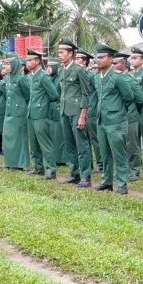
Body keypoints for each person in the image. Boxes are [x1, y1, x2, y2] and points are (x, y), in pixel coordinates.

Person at [94, 43, 134, 194]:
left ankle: (122, 183)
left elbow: (129, 97)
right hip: (101, 120)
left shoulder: (118, 77)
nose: (98, 60)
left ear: (111, 59)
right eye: (97, 57)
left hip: (115, 121)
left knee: (119, 153)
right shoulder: (98, 78)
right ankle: (106, 182)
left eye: (102, 57)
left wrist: (119, 113)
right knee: (104, 153)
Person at [57, 39, 91, 186]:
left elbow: (86, 94)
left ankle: (85, 176)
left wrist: (83, 115)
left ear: (70, 53)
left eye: (62, 52)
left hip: (76, 112)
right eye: (58, 52)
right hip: (65, 111)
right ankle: (74, 173)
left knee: (81, 145)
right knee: (69, 145)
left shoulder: (79, 70)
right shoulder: (62, 70)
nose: (59, 55)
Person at [26, 49, 59, 178]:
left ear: (38, 61)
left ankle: (51, 169)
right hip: (31, 113)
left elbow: (54, 95)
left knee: (45, 143)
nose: (27, 62)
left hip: (41, 113)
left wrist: (43, 104)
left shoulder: (43, 76)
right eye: (27, 60)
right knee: (33, 143)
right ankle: (38, 167)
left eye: (30, 60)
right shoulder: (32, 76)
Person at [114, 52, 143, 181]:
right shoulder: (113, 78)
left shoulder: (130, 79)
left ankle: (134, 170)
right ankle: (122, 170)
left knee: (132, 145)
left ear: (124, 64)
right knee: (119, 145)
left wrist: (132, 111)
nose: (113, 65)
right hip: (117, 117)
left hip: (131, 116)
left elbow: (140, 99)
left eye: (116, 63)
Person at [2, 54, 31, 169]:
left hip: (19, 112)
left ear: (15, 64)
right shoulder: (8, 78)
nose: (7, 66)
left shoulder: (22, 78)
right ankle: (10, 162)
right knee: (9, 137)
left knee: (20, 138)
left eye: (9, 64)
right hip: (9, 112)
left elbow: (28, 95)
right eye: (6, 63)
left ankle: (23, 163)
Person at [76, 50, 101, 172]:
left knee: (95, 139)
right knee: (85, 139)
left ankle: (100, 163)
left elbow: (97, 92)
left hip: (92, 110)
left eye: (78, 59)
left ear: (85, 61)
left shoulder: (90, 75)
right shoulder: (78, 73)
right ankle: (89, 164)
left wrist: (94, 108)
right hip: (82, 110)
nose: (76, 61)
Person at [45, 56, 66, 170]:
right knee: (52, 134)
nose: (48, 68)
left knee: (59, 135)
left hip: (57, 109)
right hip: (49, 110)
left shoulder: (60, 79)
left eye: (50, 66)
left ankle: (61, 158)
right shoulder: (49, 78)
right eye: (47, 66)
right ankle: (55, 156)